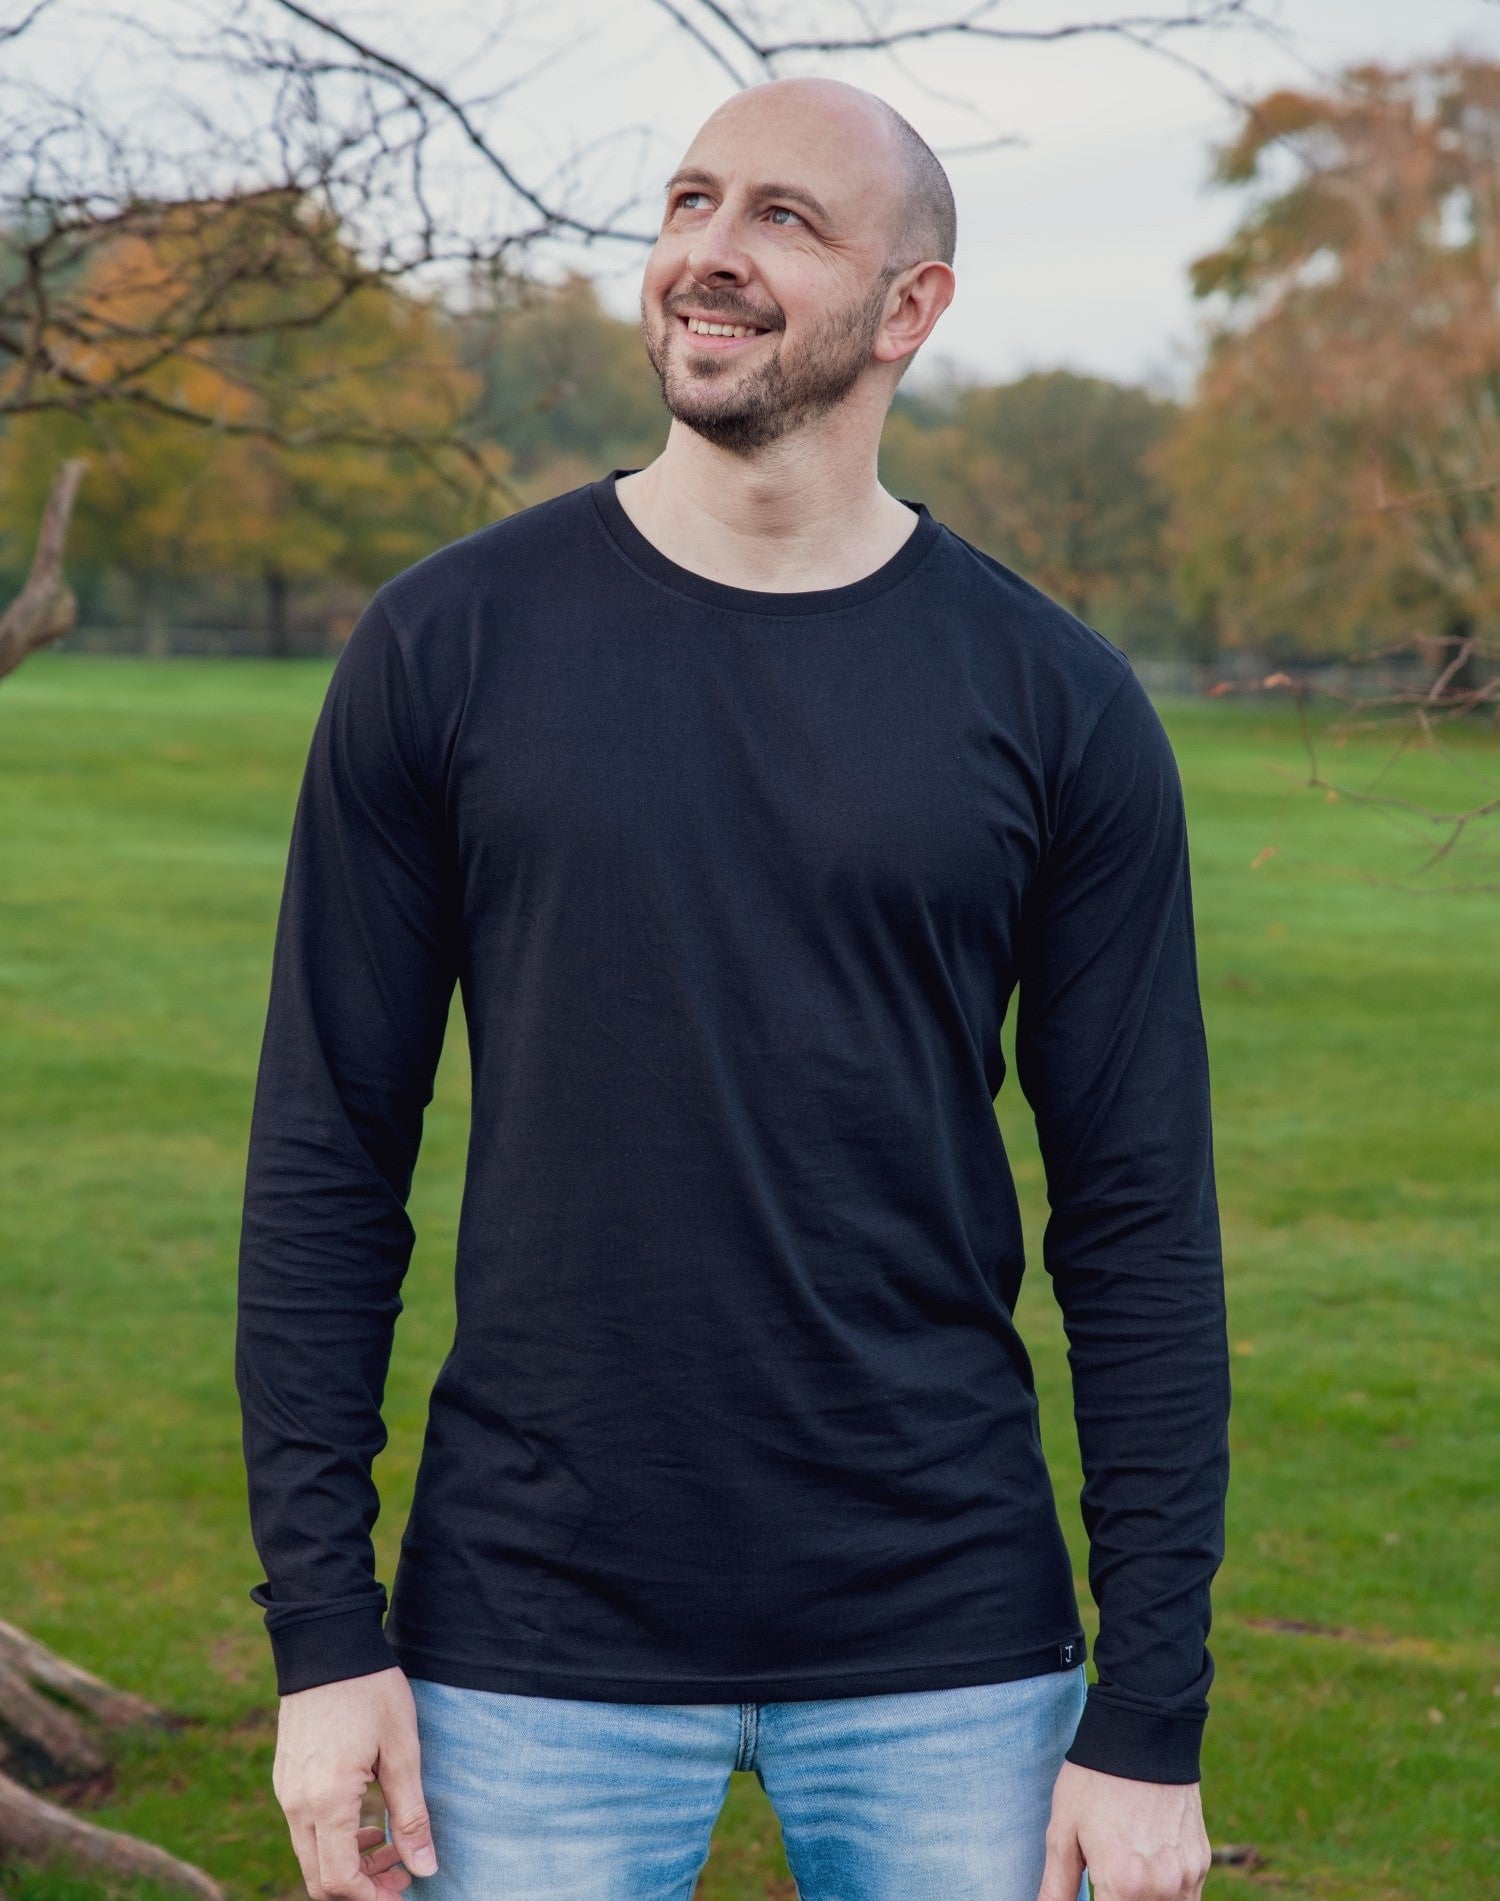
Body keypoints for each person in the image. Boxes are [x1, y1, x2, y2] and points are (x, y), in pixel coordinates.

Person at [236, 73, 1230, 1901]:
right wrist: (321, 1631)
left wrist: (1148, 1712)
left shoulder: (1058, 702)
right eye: (691, 201)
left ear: (911, 306)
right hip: (524, 1643)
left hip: (955, 1650)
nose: (709, 251)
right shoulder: (447, 646)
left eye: (784, 216)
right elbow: (324, 1162)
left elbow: (1142, 1223)